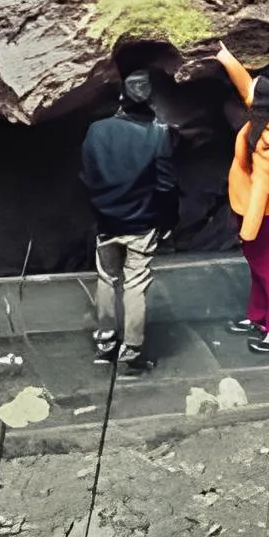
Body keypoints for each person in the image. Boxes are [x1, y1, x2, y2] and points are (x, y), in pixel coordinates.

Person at [77, 69, 178, 372]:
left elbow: (86, 174)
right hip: (142, 224)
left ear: (120, 98)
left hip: (107, 223)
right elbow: (166, 185)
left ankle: (106, 339)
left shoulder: (96, 130)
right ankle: (131, 351)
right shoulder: (158, 133)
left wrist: (100, 209)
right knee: (135, 284)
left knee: (107, 278)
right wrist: (169, 219)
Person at [211, 48, 269, 351]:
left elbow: (263, 185)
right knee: (257, 265)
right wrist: (224, 56)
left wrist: (249, 229)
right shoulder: (264, 115)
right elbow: (245, 86)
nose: (252, 90)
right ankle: (258, 316)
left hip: (257, 211)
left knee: (268, 268)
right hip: (244, 203)